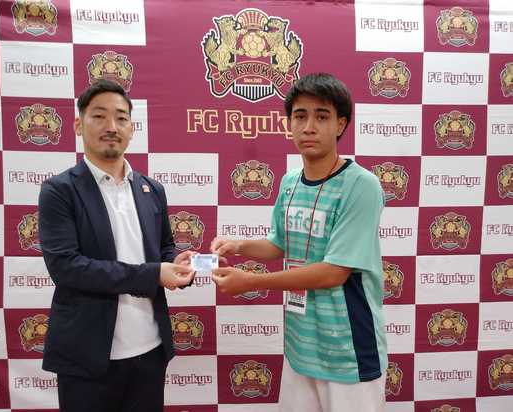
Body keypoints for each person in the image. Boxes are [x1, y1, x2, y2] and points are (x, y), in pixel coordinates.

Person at [211, 73, 387, 412]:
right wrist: (238, 246)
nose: (309, 127)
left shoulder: (361, 185)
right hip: (300, 348)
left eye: (321, 116)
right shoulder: (290, 181)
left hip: (348, 353)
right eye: (300, 116)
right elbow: (280, 244)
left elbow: (333, 272)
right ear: (289, 124)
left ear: (340, 124)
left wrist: (251, 282)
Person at [38, 79, 194, 412]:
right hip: (87, 356)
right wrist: (153, 274)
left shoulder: (152, 189)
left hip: (150, 351)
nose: (112, 126)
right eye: (99, 116)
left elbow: (163, 248)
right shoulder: (59, 191)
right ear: (78, 125)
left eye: (121, 118)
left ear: (131, 128)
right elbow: (66, 268)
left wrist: (178, 262)